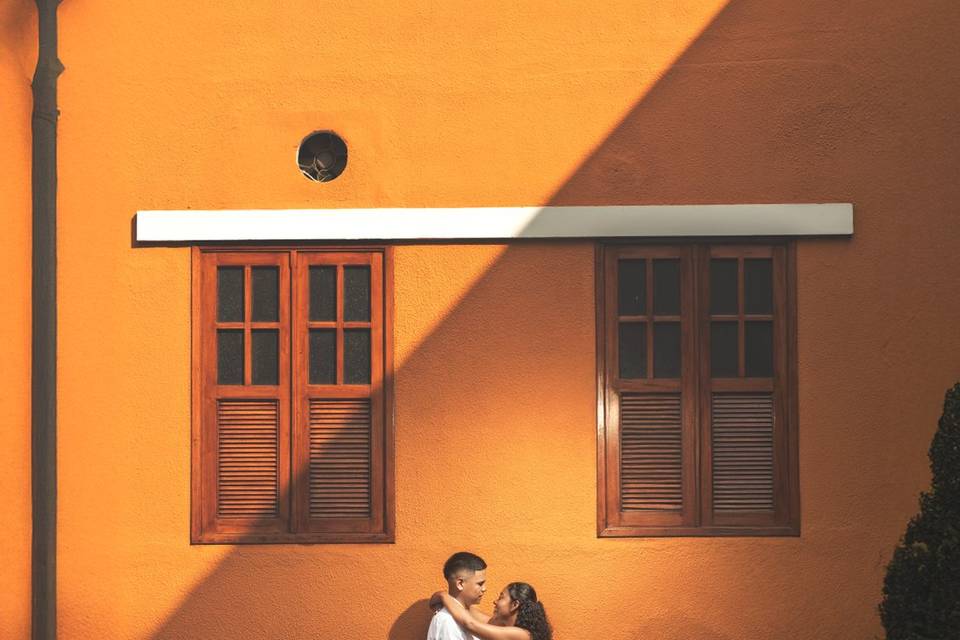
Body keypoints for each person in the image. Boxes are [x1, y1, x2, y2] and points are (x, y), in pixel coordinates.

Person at [430, 581, 552, 640]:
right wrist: (443, 598)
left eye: (501, 597)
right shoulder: (499, 625)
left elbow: (470, 624)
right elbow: (467, 609)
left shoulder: (522, 635)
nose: (495, 601)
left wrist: (443, 596)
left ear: (515, 604)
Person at [426, 551, 489, 640]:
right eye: (480, 584)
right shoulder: (448, 621)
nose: (484, 588)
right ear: (460, 584)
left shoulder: (468, 615)